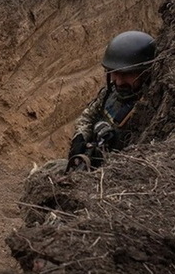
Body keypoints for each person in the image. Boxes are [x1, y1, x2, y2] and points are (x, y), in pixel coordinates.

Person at [66, 30, 157, 170]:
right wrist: (80, 137)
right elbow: (89, 115)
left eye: (127, 74)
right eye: (115, 73)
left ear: (145, 73)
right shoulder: (111, 93)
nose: (119, 82)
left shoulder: (148, 108)